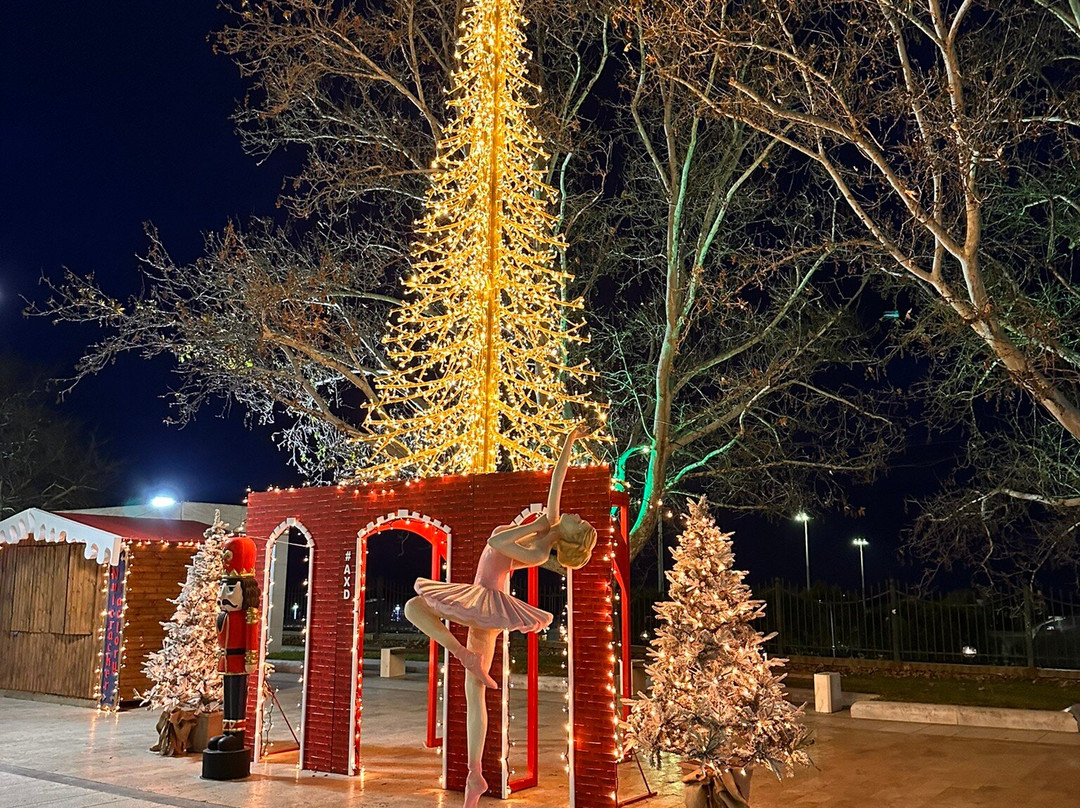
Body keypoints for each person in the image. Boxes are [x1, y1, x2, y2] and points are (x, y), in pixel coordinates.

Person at [404, 425, 598, 808]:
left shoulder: (542, 549)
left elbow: (495, 543)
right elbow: (556, 481)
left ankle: (463, 660)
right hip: (480, 596)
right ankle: (475, 774)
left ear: (569, 540)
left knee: (418, 612)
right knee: (470, 688)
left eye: (579, 523)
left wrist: (541, 526)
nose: (576, 515)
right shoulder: (549, 522)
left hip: (488, 601)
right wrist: (570, 441)